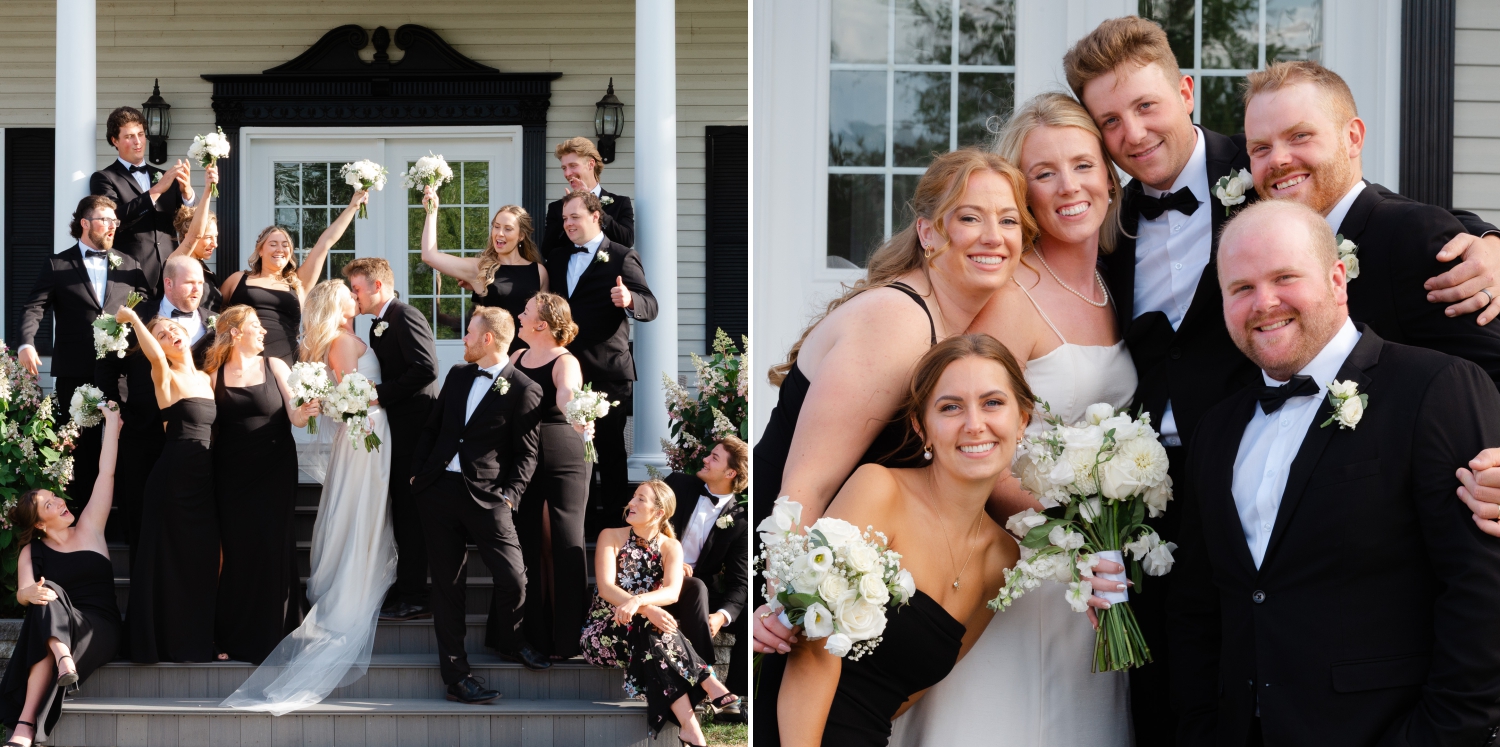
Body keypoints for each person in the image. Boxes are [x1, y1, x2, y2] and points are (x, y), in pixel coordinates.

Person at [1061, 17, 1500, 740]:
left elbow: (1384, 218)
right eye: (1110, 121)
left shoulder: (1269, 174)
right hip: (1173, 502)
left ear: (1184, 90)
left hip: (1334, 492)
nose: (1134, 133)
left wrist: (1487, 241)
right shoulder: (1107, 221)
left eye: (1146, 106)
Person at [1168, 198, 1500, 744]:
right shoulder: (1217, 430)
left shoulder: (1433, 389)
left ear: (1337, 278)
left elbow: (1480, 589)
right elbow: (1199, 608)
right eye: (1241, 288)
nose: (1264, 303)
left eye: (1285, 277)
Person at [891, 92, 1136, 745]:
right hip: (1027, 566)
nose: (1069, 187)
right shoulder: (1012, 297)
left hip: (1097, 574)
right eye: (1045, 173)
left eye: (1082, 165)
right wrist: (1068, 538)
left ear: (1109, 178)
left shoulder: (1118, 285)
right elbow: (972, 446)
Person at [752, 149, 1033, 656]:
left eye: (1008, 220)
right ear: (928, 233)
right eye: (970, 218)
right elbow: (804, 487)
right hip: (787, 576)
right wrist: (783, 602)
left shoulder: (951, 322)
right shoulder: (898, 320)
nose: (994, 237)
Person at [762, 334, 1030, 746]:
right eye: (950, 407)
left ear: (1022, 419)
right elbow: (812, 654)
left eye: (993, 403)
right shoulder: (879, 490)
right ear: (922, 427)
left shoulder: (1003, 559)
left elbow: (904, 694)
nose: (975, 424)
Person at [1244, 60, 1500, 381]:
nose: (1278, 159)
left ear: (1353, 138)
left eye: (1300, 135)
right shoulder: (1259, 240)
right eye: (1261, 148)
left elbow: (1487, 380)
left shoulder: (1409, 237)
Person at [221, 280, 396, 714]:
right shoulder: (341, 342)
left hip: (367, 431)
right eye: (349, 296)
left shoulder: (353, 335)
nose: (356, 300)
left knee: (365, 508)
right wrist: (361, 405)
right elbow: (346, 394)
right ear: (335, 306)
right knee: (361, 509)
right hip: (365, 433)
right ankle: (356, 577)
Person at [411, 306, 547, 704]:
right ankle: (457, 676)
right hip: (437, 492)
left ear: (488, 339)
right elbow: (433, 428)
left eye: (469, 332)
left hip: (488, 498)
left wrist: (510, 495)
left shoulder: (524, 388)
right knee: (448, 588)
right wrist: (418, 474)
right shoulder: (457, 375)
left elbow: (527, 454)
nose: (464, 339)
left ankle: (510, 639)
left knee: (514, 578)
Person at [16, 195, 151, 511]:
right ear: (85, 223)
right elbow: (34, 306)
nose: (113, 226)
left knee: (126, 445)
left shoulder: (130, 266)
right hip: (75, 374)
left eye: (115, 220)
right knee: (80, 453)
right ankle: (80, 525)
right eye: (105, 219)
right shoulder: (57, 264)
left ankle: (127, 519)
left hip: (121, 373)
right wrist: (26, 343)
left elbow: (147, 310)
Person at [581, 479, 740, 745]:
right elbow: (607, 588)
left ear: (658, 512)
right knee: (651, 623)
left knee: (650, 630)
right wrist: (645, 608)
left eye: (640, 499)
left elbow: (672, 592)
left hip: (642, 637)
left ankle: (690, 727)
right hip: (602, 633)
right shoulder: (610, 535)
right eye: (633, 497)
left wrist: (639, 604)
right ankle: (709, 682)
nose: (631, 503)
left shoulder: (670, 546)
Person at [0, 403, 123, 747]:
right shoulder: (32, 552)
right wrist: (32, 594)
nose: (58, 502)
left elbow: (106, 474)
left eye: (55, 497)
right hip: (60, 630)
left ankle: (24, 725)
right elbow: (23, 591)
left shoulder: (91, 528)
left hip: (99, 626)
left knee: (46, 613)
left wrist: (112, 422)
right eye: (48, 504)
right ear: (39, 523)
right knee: (45, 592)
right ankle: (31, 719)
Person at [205, 306, 319, 664]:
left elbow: (295, 417)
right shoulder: (213, 375)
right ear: (235, 333)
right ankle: (235, 632)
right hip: (231, 474)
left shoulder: (275, 366)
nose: (265, 333)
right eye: (256, 326)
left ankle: (277, 632)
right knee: (238, 550)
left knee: (273, 545)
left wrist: (307, 409)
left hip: (274, 468)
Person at [542, 190, 658, 535]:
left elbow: (651, 306)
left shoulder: (622, 256)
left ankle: (613, 525)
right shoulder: (558, 258)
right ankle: (579, 520)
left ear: (597, 217)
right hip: (565, 370)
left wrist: (630, 298)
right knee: (571, 449)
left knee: (608, 450)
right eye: (564, 219)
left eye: (574, 217)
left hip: (608, 370)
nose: (568, 224)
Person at [114, 305, 218, 664]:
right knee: (168, 561)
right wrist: (134, 320)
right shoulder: (164, 374)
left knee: (200, 559)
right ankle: (160, 642)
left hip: (203, 479)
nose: (171, 335)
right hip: (172, 477)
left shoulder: (206, 378)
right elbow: (156, 353)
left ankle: (196, 639)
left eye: (174, 328)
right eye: (162, 334)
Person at [95, 255, 216, 555]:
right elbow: (107, 365)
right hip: (142, 433)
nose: (197, 289)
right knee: (141, 520)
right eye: (190, 282)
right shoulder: (138, 313)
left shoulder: (213, 322)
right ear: (169, 283)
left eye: (201, 283)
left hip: (191, 440)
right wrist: (119, 412)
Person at [340, 258, 440, 624]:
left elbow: (426, 368)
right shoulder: (380, 324)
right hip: (395, 429)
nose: (355, 296)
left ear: (377, 286)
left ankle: (417, 594)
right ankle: (405, 584)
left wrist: (379, 395)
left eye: (357, 288)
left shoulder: (405, 315)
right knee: (399, 509)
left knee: (411, 512)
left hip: (414, 430)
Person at [509, 293, 593, 659]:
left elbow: (567, 394)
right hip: (522, 456)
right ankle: (535, 635)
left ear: (541, 323)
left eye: (525, 312)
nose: (519, 314)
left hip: (562, 452)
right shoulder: (515, 357)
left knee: (562, 539)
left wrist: (577, 414)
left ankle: (568, 638)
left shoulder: (565, 361)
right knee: (531, 542)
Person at [219, 188, 366, 365]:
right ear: (260, 250)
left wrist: (353, 207)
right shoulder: (237, 279)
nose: (280, 249)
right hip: (242, 359)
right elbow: (213, 315)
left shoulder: (298, 283)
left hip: (285, 359)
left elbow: (324, 243)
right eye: (273, 244)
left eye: (285, 245)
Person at [662, 437, 750, 720]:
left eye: (714, 457)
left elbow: (740, 581)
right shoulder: (677, 484)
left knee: (750, 615)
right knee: (697, 587)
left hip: (696, 593)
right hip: (656, 577)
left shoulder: (740, 521)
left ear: (730, 473)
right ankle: (710, 689)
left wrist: (721, 617)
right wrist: (670, 560)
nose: (705, 459)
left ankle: (737, 695)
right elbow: (643, 523)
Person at [419, 186, 549, 341]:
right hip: (493, 357)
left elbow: (546, 322)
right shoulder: (480, 268)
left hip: (529, 356)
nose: (499, 233)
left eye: (508, 229)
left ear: (521, 235)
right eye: (496, 226)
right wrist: (431, 212)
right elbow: (430, 256)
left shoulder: (539, 272)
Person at [88, 106, 195, 288]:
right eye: (129, 136)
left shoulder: (166, 177)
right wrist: (156, 191)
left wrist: (187, 194)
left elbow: (192, 222)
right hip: (128, 274)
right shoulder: (104, 178)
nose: (138, 142)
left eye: (141, 134)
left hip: (170, 273)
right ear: (115, 141)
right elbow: (114, 219)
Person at [541, 137, 634, 253]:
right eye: (564, 168)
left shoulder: (620, 203)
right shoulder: (556, 207)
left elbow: (626, 241)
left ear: (591, 164)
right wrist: (569, 211)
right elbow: (547, 250)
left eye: (573, 165)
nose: (567, 173)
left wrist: (594, 206)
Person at [167, 164, 223, 312]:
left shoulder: (208, 272)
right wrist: (208, 190)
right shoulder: (175, 264)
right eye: (209, 237)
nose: (215, 244)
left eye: (216, 237)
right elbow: (195, 234)